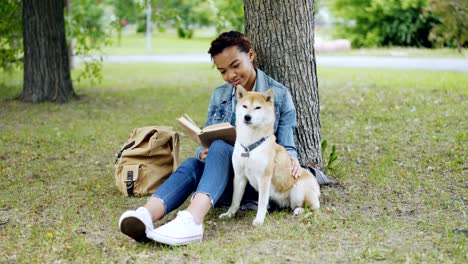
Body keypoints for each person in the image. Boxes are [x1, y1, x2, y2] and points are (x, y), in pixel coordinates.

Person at [118, 31, 303, 246]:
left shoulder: (278, 95)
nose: (231, 75)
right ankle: (146, 215)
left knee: (220, 147)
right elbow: (207, 138)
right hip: (223, 176)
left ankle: (193, 220)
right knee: (194, 163)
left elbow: (287, 144)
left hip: (256, 181)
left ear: (250, 55)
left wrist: (292, 160)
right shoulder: (220, 95)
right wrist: (201, 152)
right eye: (223, 71)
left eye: (235, 65)